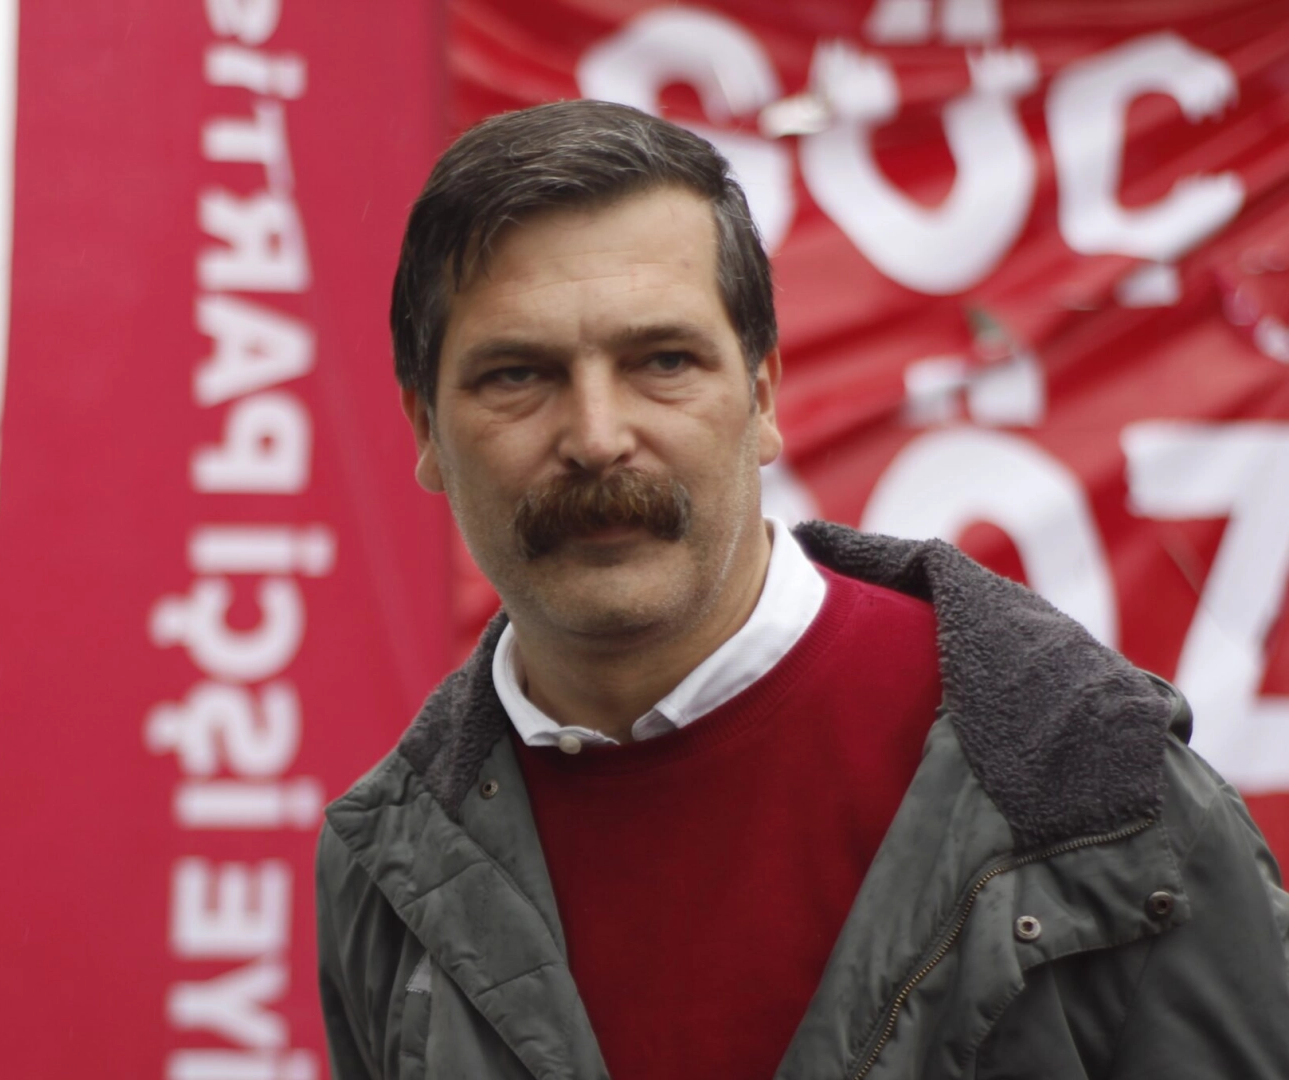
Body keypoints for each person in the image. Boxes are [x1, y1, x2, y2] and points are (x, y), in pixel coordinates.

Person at [314, 100, 1289, 1079]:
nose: (598, 436)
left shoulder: (1108, 803)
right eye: (518, 376)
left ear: (764, 393)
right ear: (426, 429)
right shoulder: (385, 873)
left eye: (664, 361)